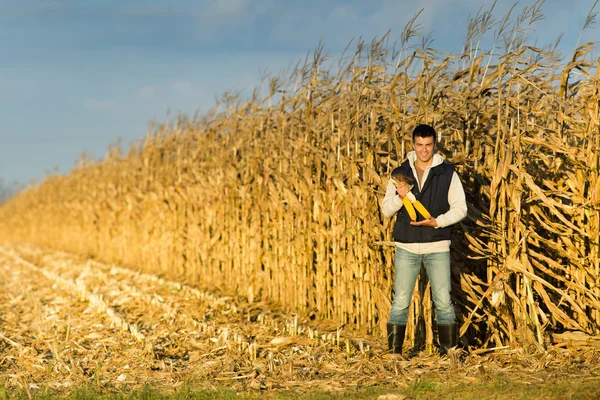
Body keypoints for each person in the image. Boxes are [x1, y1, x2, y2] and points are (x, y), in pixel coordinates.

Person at [381, 124, 467, 356]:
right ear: (413, 145)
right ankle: (394, 354)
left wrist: (437, 222)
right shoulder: (400, 173)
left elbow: (461, 209)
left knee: (443, 301)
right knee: (400, 301)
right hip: (406, 247)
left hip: (437, 245)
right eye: (419, 145)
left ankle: (448, 352)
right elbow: (386, 210)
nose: (424, 150)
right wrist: (400, 198)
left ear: (434, 144)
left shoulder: (447, 173)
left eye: (428, 145)